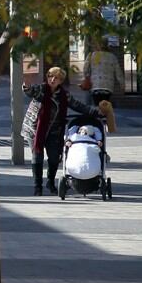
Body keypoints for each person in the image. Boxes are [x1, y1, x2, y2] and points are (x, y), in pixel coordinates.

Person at [25, 66, 99, 196]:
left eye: (56, 78)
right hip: (36, 130)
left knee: (54, 158)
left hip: (54, 130)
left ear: (61, 81)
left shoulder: (64, 95)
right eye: (50, 76)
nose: (52, 79)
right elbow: (31, 91)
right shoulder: (41, 89)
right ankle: (37, 186)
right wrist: (26, 86)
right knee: (37, 156)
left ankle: (50, 181)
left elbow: (77, 105)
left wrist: (94, 111)